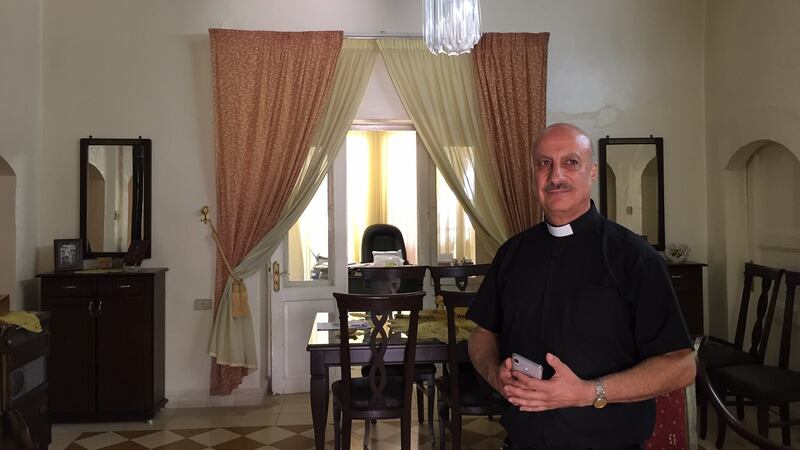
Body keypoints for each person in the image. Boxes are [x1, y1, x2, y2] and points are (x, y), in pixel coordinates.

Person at [466, 123, 695, 450]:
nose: (555, 175)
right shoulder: (512, 254)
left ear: (592, 171)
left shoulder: (635, 258)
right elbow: (483, 333)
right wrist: (494, 374)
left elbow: (681, 366)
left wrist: (589, 392)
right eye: (544, 164)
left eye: (571, 162)